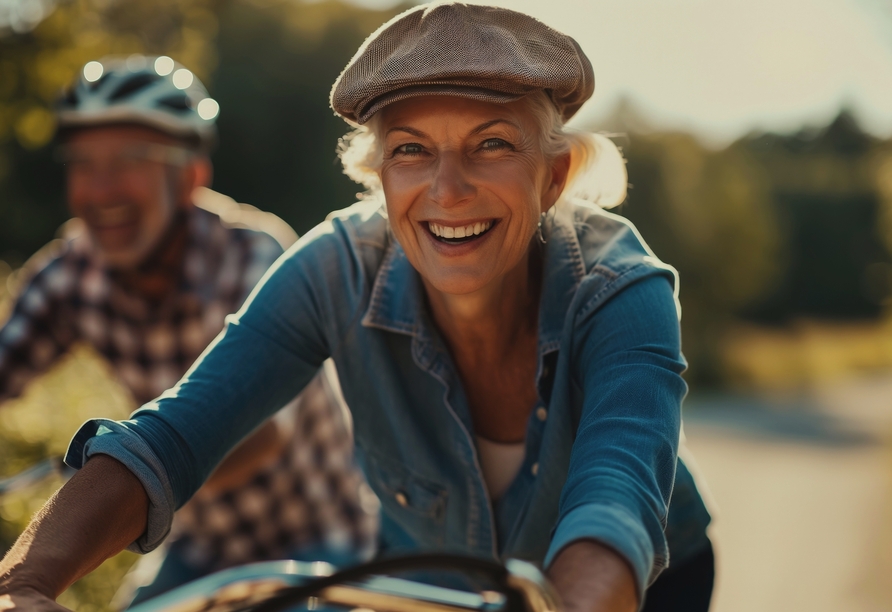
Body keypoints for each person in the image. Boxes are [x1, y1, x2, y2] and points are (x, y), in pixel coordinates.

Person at [0, 6, 713, 612]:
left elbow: (613, 498)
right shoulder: (335, 267)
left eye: (491, 145)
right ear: (377, 176)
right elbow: (173, 436)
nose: (448, 189)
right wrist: (25, 581)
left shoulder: (620, 289)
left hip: (638, 586)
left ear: (554, 175)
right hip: (433, 590)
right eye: (411, 151)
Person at [0, 56, 376, 605]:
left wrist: (97, 486)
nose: (100, 188)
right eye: (82, 163)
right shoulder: (69, 275)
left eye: (130, 160)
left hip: (322, 542)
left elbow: (260, 432)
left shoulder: (252, 254)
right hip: (195, 548)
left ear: (190, 176)